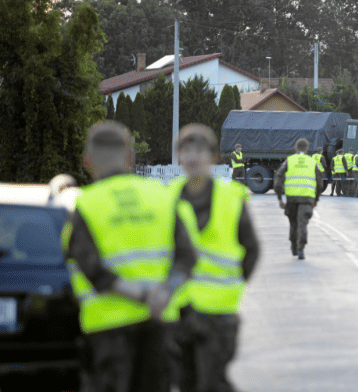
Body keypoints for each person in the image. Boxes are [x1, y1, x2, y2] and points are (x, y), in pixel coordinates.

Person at [63, 120, 197, 392]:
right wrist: (162, 294)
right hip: (160, 325)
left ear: (87, 162)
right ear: (129, 159)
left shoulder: (85, 206)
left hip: (107, 330)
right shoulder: (162, 197)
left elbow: (92, 269)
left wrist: (139, 295)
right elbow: (187, 256)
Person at [169, 124, 260, 392]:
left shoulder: (232, 197)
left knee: (211, 383)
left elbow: (252, 249)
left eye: (199, 150)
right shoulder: (168, 196)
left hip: (219, 315)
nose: (192, 157)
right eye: (186, 150)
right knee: (184, 383)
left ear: (213, 157)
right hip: (179, 311)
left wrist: (234, 285)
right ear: (179, 157)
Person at [274, 138, 323, 259]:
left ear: (295, 148)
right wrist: (316, 199)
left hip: (292, 199)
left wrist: (280, 198)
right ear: (307, 149)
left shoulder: (289, 161)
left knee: (293, 223)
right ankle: (301, 248)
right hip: (307, 199)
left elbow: (279, 178)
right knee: (302, 223)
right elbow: (320, 183)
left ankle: (294, 247)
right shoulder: (312, 162)